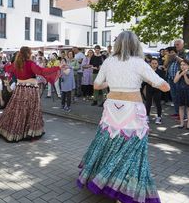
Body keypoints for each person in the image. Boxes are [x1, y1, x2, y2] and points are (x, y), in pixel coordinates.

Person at [77, 31, 170, 203]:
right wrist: (149, 80)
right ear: (136, 45)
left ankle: (102, 179)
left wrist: (111, 84)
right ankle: (123, 189)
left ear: (118, 44)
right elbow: (164, 87)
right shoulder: (139, 63)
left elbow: (96, 85)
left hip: (112, 109)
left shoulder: (109, 61)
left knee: (108, 143)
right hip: (132, 111)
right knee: (132, 148)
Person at [0, 46, 60, 142]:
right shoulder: (30, 63)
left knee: (18, 111)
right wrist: (57, 68)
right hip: (31, 90)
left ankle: (13, 130)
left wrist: (7, 64)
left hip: (20, 90)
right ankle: (28, 132)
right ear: (28, 54)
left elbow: (7, 68)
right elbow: (42, 71)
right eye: (30, 52)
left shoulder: (16, 64)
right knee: (31, 111)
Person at [145, 58, 166, 124]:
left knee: (158, 103)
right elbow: (145, 80)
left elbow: (162, 80)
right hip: (149, 88)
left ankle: (159, 117)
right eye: (153, 63)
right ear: (150, 64)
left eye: (155, 63)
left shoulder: (161, 72)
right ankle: (147, 116)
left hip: (157, 89)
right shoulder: (147, 71)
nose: (154, 65)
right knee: (148, 103)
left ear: (157, 64)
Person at [173, 59, 189, 129]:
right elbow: (175, 81)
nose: (182, 66)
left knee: (188, 108)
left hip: (188, 92)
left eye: (184, 65)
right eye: (181, 65)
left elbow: (188, 82)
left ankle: (188, 124)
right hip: (180, 92)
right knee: (181, 107)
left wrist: (185, 74)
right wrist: (181, 74)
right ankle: (182, 123)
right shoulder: (178, 72)